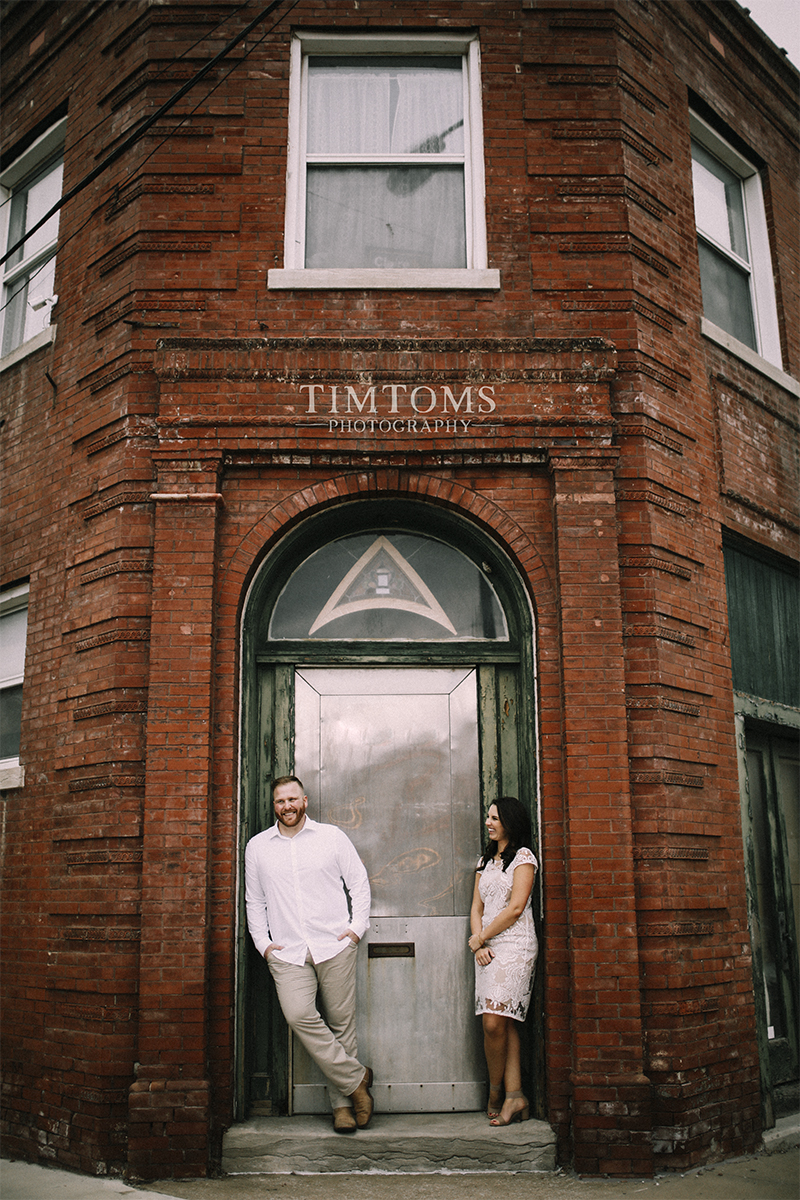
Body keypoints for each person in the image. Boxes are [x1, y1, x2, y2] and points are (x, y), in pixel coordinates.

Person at [245, 775, 374, 1134]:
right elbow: (255, 901)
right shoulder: (258, 847)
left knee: (341, 1025)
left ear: (305, 800)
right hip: (287, 952)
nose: (286, 806)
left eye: (292, 799)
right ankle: (357, 1078)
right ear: (274, 806)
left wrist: (354, 929)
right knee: (299, 1014)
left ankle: (342, 1107)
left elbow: (358, 882)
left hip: (334, 945)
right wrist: (263, 944)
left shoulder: (332, 838)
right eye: (279, 802)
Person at [468, 796, 538, 1126]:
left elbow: (515, 908)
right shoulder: (485, 861)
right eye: (488, 817)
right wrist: (478, 943)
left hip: (515, 947)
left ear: (510, 821)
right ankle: (515, 1095)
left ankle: (495, 1090)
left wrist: (482, 938)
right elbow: (476, 909)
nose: (488, 822)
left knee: (495, 1022)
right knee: (500, 1021)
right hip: (486, 948)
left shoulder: (524, 858)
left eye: (495, 817)